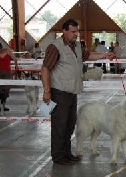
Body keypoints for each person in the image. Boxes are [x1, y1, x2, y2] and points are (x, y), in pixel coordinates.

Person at [41, 19, 115, 166]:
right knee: (59, 125)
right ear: (64, 31)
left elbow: (88, 56)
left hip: (72, 92)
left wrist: (104, 56)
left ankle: (67, 153)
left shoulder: (77, 46)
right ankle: (58, 156)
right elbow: (45, 69)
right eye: (73, 32)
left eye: (77, 31)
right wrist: (47, 91)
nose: (76, 34)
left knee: (69, 125)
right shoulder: (55, 47)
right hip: (59, 92)